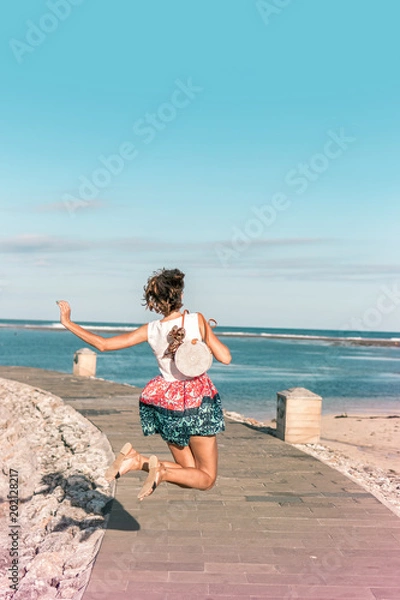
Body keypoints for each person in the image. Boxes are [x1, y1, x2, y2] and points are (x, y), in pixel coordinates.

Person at [56, 268, 231, 500]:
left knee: (190, 473)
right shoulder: (196, 320)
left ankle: (138, 461)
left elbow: (103, 345)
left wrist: (68, 322)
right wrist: (203, 341)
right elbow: (226, 357)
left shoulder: (151, 330)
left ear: (156, 302)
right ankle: (158, 472)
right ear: (179, 296)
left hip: (167, 404)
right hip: (198, 403)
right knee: (206, 478)